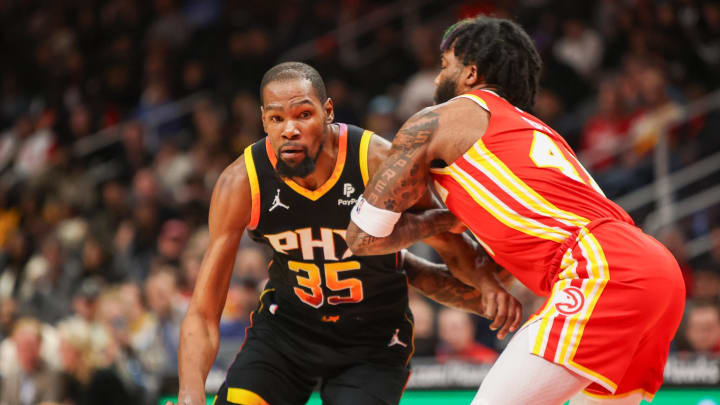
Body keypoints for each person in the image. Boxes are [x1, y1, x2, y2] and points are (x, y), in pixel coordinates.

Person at [346, 16, 685, 405]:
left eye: (445, 67)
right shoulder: (530, 136)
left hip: (601, 270)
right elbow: (496, 278)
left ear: (471, 73)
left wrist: (438, 220)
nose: (438, 78)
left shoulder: (439, 120)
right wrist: (486, 284)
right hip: (653, 270)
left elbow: (363, 236)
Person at [174, 62, 521, 405]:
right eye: (277, 119)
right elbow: (204, 312)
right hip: (288, 332)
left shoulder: (375, 161)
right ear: (263, 119)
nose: (289, 130)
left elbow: (448, 239)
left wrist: (486, 282)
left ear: (328, 111)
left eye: (303, 115)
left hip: (372, 338)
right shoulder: (241, 182)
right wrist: (190, 393)